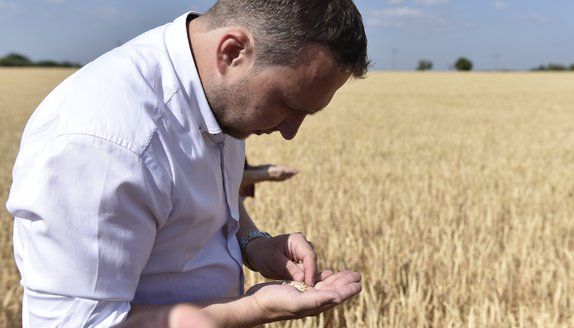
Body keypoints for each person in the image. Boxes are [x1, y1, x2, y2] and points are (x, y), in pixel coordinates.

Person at [6, 0, 369, 327]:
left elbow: (197, 190)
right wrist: (255, 308)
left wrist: (254, 244)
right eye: (288, 104)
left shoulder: (217, 92)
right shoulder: (105, 146)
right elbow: (79, 324)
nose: (291, 132)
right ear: (232, 51)